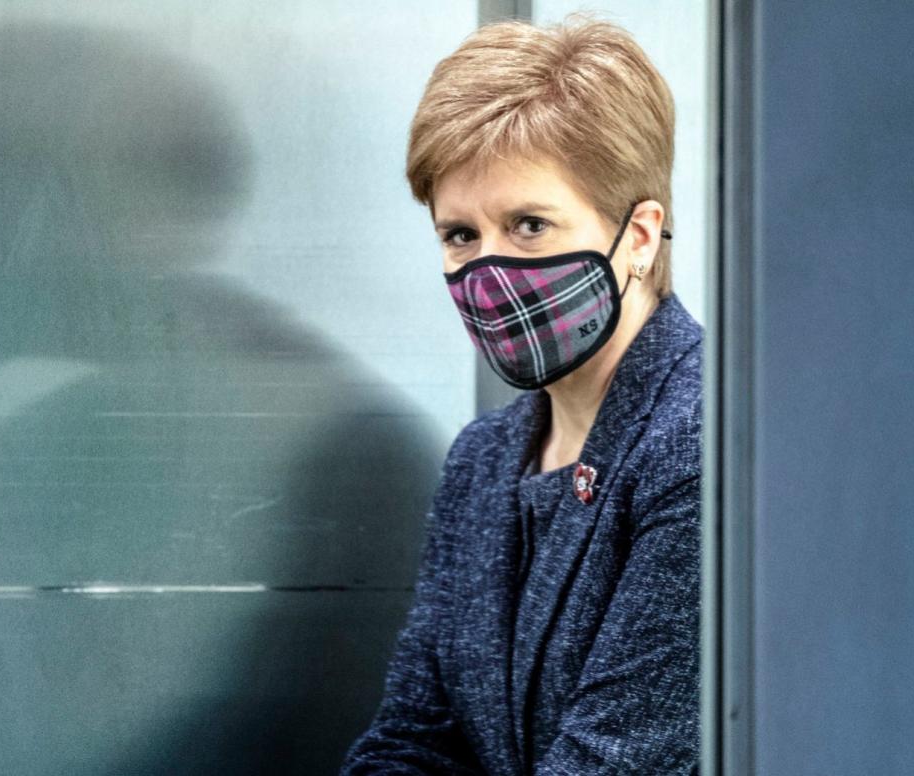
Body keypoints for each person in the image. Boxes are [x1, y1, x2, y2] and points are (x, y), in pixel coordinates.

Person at [341, 16, 702, 775]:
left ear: (639, 236)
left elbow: (614, 761)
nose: (489, 273)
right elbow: (412, 738)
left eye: (529, 225)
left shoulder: (701, 441)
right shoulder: (483, 459)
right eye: (460, 235)